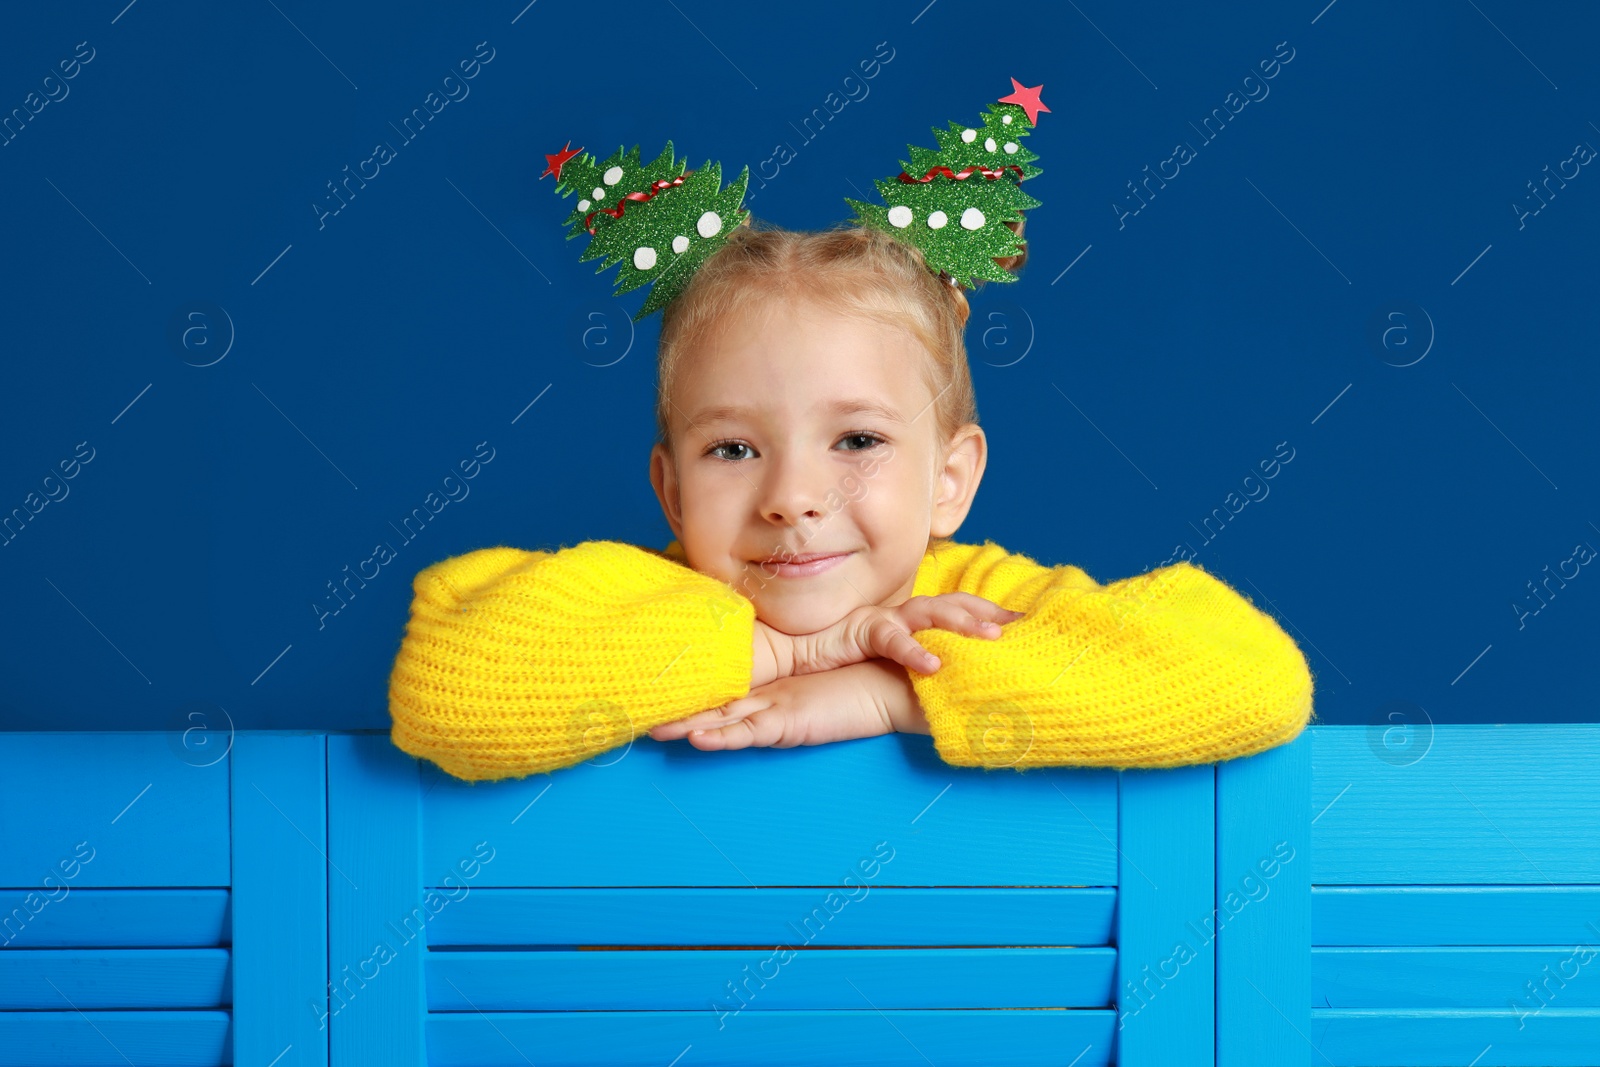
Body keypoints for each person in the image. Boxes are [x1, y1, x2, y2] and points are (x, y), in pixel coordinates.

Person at [386, 219, 1317, 782]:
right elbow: (444, 689)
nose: (792, 497)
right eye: (734, 448)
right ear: (672, 491)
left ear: (950, 479)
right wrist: (790, 649)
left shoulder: (977, 603)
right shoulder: (636, 600)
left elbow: (1252, 677)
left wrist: (887, 692)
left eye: (859, 440)